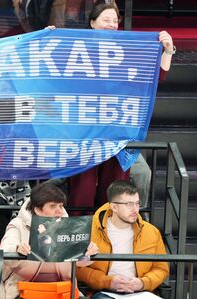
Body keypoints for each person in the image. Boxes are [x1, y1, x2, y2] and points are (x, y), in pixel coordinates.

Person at [69, 0, 175, 211]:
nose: (111, 24)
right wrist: (47, 39)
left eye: (115, 20)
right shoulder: (75, 46)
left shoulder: (128, 49)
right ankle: (79, 239)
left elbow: (157, 76)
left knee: (114, 192)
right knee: (82, 192)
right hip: (84, 134)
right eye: (105, 19)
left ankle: (113, 236)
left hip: (117, 133)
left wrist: (168, 50)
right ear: (92, 23)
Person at [0, 183, 99, 299]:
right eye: (52, 206)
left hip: (63, 291)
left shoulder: (69, 226)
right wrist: (17, 250)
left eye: (60, 206)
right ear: (37, 210)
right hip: (23, 291)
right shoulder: (18, 225)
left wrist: (88, 253)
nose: (59, 211)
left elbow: (80, 261)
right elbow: (5, 254)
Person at [76, 180, 169, 298]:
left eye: (137, 203)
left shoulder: (151, 232)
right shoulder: (89, 230)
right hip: (104, 291)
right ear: (114, 207)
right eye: (129, 204)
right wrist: (108, 282)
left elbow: (161, 268)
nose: (135, 209)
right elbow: (77, 268)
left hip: (142, 292)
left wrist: (142, 283)